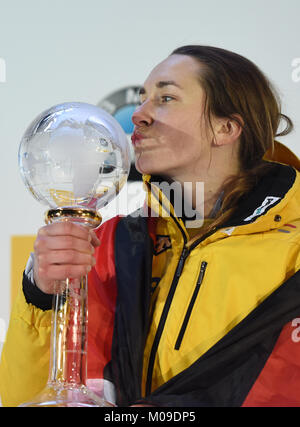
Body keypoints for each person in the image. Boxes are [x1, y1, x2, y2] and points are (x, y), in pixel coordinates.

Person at [1, 45, 300, 407]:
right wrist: (41, 294)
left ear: (226, 128)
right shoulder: (110, 243)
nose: (138, 115)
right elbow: (29, 398)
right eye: (143, 99)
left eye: (166, 97)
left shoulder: (293, 253)